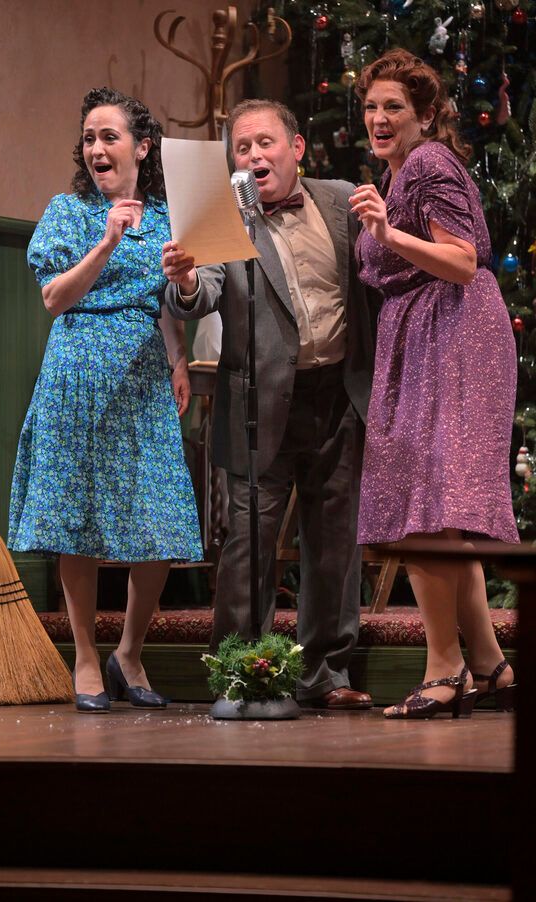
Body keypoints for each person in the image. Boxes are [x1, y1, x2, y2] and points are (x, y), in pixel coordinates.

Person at [162, 99, 377, 709]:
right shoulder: (221, 213)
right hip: (257, 400)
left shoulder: (339, 200)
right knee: (247, 540)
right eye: (242, 147)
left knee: (334, 540)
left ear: (298, 148)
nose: (254, 156)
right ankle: (239, 675)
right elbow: (198, 293)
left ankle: (325, 677)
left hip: (336, 394)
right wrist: (181, 278)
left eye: (265, 144)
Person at [8, 87, 203, 713]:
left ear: (142, 148)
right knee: (80, 519)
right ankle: (87, 659)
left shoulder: (169, 219)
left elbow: (169, 303)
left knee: (162, 519)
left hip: (144, 374)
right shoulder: (67, 211)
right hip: (77, 372)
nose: (96, 148)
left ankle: (129, 651)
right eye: (89, 138)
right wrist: (108, 241)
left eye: (109, 136)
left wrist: (178, 355)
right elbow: (55, 298)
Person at [351, 49, 518, 719]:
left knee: (424, 510)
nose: (378, 118)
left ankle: (443, 669)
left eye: (394, 106)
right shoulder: (395, 175)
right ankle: (489, 665)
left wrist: (387, 232)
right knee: (439, 513)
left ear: (424, 114)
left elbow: (462, 259)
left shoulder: (426, 164)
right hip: (424, 334)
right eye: (371, 106)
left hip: (452, 331)